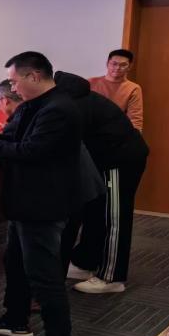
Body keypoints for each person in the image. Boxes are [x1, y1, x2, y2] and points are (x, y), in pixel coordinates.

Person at [0, 52, 81, 336]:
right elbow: (14, 137)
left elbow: (33, 151)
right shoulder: (33, 105)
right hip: (23, 203)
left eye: (14, 81)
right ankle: (15, 319)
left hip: (42, 205)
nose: (12, 87)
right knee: (15, 262)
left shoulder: (58, 108)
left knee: (43, 274)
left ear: (33, 76)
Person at [55, 71, 149, 294]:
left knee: (114, 216)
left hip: (119, 160)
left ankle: (112, 277)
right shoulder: (68, 97)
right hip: (102, 159)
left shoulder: (69, 103)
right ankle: (85, 262)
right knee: (95, 211)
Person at [89, 49, 143, 131]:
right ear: (107, 64)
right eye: (114, 64)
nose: (117, 68)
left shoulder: (133, 88)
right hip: (89, 129)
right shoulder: (91, 83)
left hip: (115, 132)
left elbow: (135, 119)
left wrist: (135, 136)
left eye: (123, 65)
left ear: (129, 66)